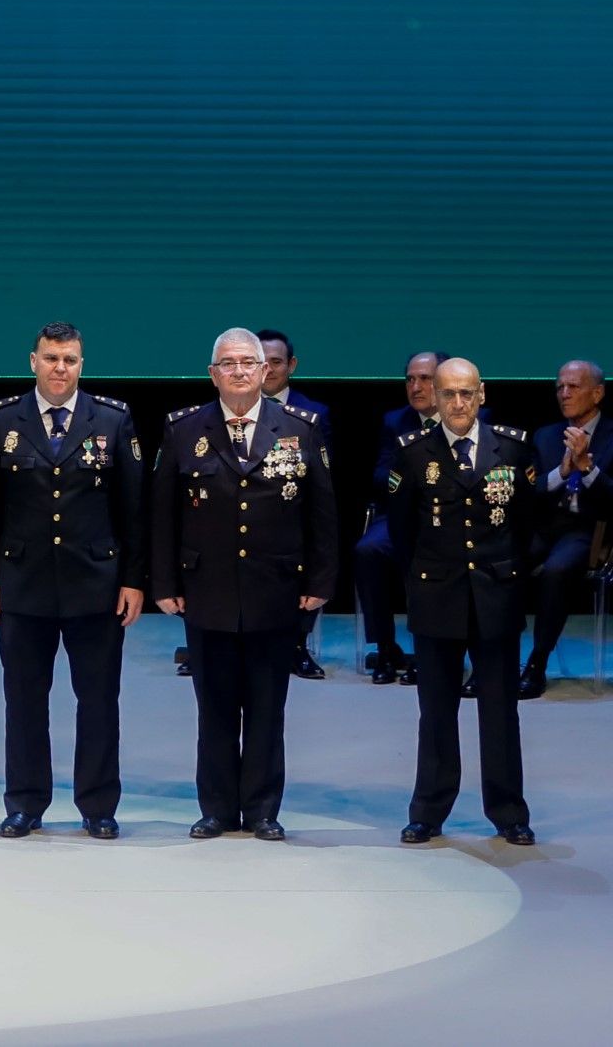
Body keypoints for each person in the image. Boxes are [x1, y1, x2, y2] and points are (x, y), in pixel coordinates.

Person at [152, 328, 336, 842]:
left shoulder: (301, 428)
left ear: (265, 371)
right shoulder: (184, 429)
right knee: (213, 708)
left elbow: (323, 511)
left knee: (266, 707)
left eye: (247, 363)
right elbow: (162, 512)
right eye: (227, 364)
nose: (237, 372)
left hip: (275, 588)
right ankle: (215, 809)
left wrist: (321, 580)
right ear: (213, 374)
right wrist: (164, 581)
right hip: (205, 589)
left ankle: (261, 810)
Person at [0, 322, 144, 840]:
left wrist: (133, 578)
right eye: (50, 358)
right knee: (23, 701)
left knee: (98, 701)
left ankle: (98, 805)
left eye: (69, 359)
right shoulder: (1, 419)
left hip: (97, 584)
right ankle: (25, 802)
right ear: (33, 361)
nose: (59, 368)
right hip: (22, 583)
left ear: (81, 364)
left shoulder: (112, 419)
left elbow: (132, 508)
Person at [386, 356, 537, 845]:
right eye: (447, 393)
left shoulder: (512, 449)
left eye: (465, 393)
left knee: (499, 712)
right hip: (437, 596)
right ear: (435, 395)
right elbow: (404, 531)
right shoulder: (413, 452)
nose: (456, 403)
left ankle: (509, 812)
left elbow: (528, 526)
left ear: (481, 394)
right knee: (435, 712)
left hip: (496, 596)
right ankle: (428, 811)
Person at [356, 351, 447, 685]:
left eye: (425, 379)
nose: (416, 386)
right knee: (369, 551)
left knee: (432, 556)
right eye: (410, 379)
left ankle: (429, 652)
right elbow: (381, 476)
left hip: (447, 519)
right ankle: (385, 647)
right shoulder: (396, 422)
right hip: (400, 515)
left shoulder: (465, 417)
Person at [520, 360, 610, 698]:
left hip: (588, 529)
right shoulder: (545, 436)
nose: (564, 393)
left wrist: (587, 467)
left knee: (556, 571)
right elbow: (528, 492)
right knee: (498, 559)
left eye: (573, 387)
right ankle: (492, 660)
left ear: (597, 393)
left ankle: (537, 664)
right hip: (545, 525)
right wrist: (562, 470)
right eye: (560, 387)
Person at [258, 329, 332, 680]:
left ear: (292, 365)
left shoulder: (314, 414)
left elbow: (322, 476)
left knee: (309, 543)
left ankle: (297, 646)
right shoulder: (233, 407)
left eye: (276, 362)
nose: (269, 370)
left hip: (293, 511)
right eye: (263, 362)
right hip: (242, 511)